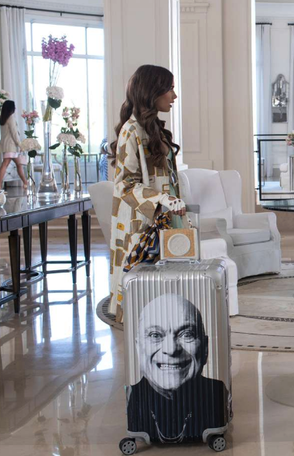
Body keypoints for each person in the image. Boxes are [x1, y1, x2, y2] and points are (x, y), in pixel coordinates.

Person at [108, 64, 186, 319]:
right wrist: (163, 199)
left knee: (168, 287)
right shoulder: (131, 130)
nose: (174, 96)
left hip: (166, 216)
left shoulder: (153, 128)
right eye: (170, 89)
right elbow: (125, 184)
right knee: (145, 289)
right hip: (144, 223)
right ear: (153, 91)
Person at [126, 294, 229, 442]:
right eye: (155, 335)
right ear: (138, 347)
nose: (171, 349)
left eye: (187, 334)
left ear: (205, 348)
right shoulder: (132, 398)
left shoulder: (217, 394)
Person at [0, 100, 28, 190]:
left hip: (7, 145)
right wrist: (20, 144)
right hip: (11, 146)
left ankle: (25, 183)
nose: (15, 108)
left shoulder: (3, 118)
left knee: (18, 164)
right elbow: (14, 133)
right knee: (5, 164)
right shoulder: (11, 118)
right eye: (14, 107)